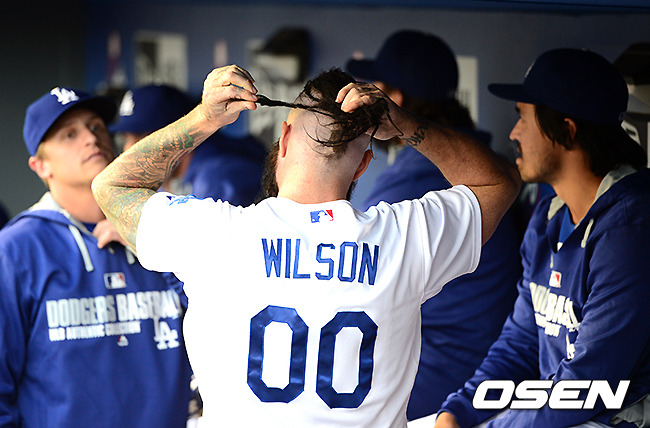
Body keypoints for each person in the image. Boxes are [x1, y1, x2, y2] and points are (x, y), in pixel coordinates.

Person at [92, 64, 520, 427]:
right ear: (364, 165)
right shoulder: (402, 238)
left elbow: (113, 187)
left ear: (283, 138)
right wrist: (407, 125)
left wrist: (204, 117)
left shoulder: (215, 233)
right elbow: (498, 183)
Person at [435, 48, 650, 428]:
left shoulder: (631, 226)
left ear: (566, 130)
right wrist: (459, 410)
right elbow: (521, 343)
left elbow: (586, 387)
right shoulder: (548, 215)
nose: (513, 133)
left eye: (523, 117)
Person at [346, 29, 521, 420]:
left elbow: (351, 269)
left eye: (374, 89)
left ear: (394, 101)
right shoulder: (472, 154)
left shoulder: (420, 173)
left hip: (444, 375)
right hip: (469, 361)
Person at [0, 87, 195, 427]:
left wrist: (147, 240)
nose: (91, 138)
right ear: (40, 165)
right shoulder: (16, 249)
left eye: (96, 127)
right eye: (69, 134)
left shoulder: (164, 227)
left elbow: (223, 321)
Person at [112, 84, 267, 206]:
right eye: (126, 138)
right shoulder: (182, 174)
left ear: (176, 134)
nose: (129, 149)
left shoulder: (215, 177)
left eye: (141, 139)